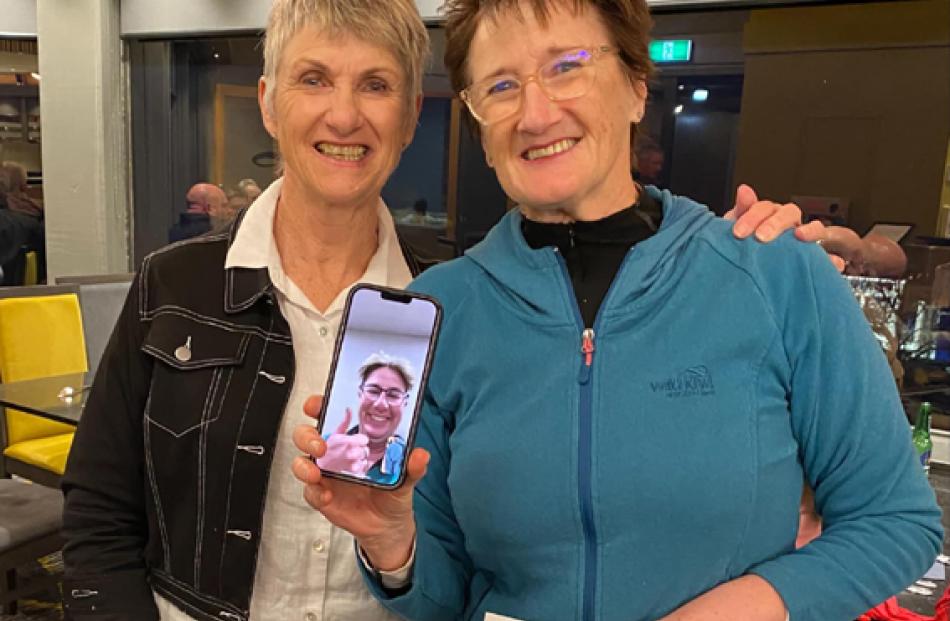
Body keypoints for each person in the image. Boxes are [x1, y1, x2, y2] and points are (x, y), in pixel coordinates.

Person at [61, 0, 817, 619]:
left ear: (410, 114)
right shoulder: (175, 284)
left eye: (376, 85)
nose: (345, 115)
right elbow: (98, 514)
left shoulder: (456, 296)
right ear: (267, 102)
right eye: (314, 79)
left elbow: (476, 543)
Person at [292, 1, 943, 620]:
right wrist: (391, 544)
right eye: (501, 86)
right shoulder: (442, 309)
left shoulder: (773, 274)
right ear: (481, 129)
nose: (536, 112)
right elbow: (441, 598)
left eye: (566, 65)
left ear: (636, 86)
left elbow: (894, 520)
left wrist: (747, 604)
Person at [319, 352, 412, 484]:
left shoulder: (410, 461)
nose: (381, 404)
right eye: (373, 391)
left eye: (393, 395)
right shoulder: (326, 445)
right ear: (360, 394)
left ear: (405, 402)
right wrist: (322, 467)